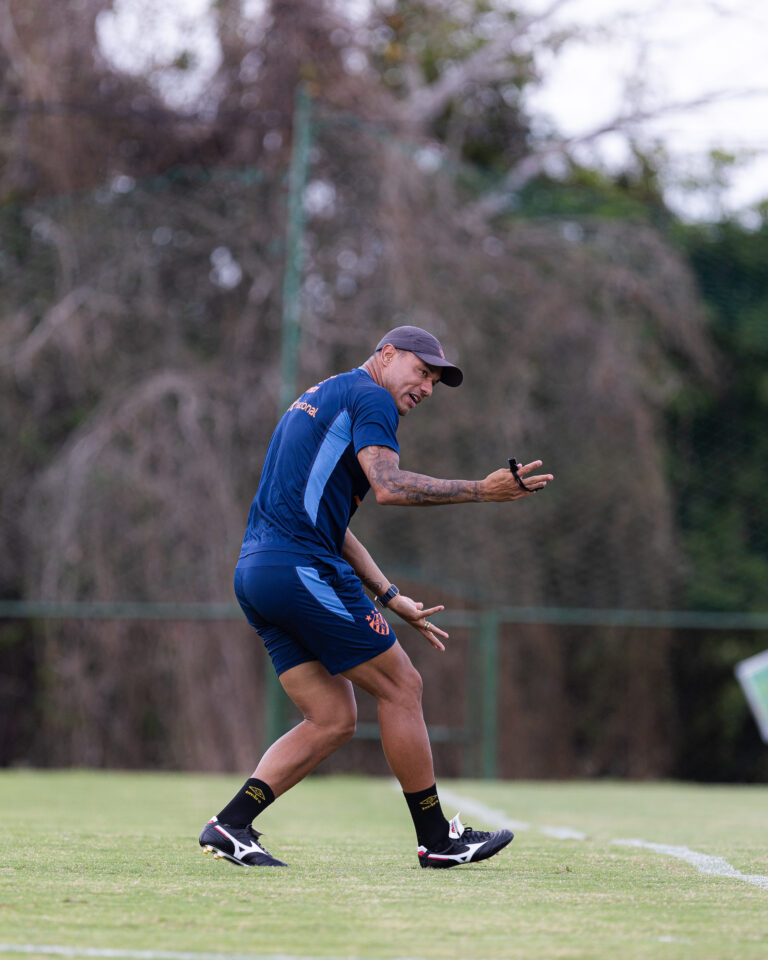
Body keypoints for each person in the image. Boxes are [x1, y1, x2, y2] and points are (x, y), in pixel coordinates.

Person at [199, 325, 553, 869]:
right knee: (402, 686)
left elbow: (330, 522)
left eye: (435, 379)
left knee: (332, 717)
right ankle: (437, 839)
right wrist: (483, 490)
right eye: (421, 371)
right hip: (300, 568)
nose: (428, 387)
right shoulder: (371, 397)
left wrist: (389, 596)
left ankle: (231, 824)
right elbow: (387, 487)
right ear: (386, 355)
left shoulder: (321, 396)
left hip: (257, 574)